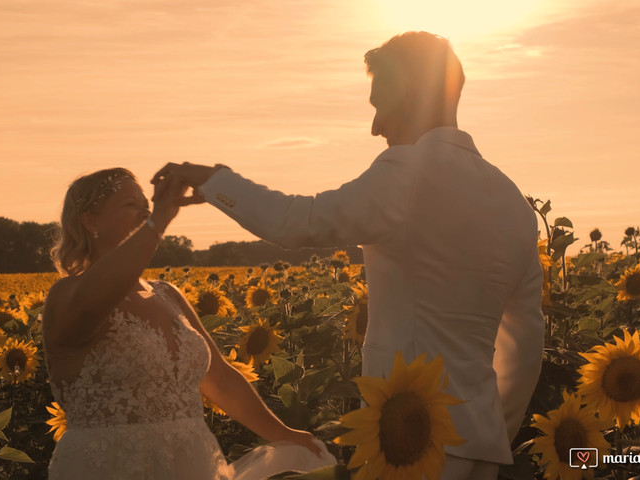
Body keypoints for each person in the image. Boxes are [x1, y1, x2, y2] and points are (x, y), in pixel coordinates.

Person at [154, 31, 545, 479]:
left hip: (407, 444)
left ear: (411, 93)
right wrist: (491, 431)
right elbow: (525, 341)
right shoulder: (512, 200)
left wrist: (214, 180)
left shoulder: (406, 172)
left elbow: (297, 220)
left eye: (380, 104)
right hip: (481, 444)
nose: (376, 126)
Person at [41, 167, 333, 479]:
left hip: (192, 461)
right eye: (130, 205)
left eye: (146, 206)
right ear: (90, 220)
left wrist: (283, 433)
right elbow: (98, 294)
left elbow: (220, 379)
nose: (144, 213)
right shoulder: (67, 295)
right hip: (111, 465)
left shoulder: (168, 294)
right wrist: (160, 219)